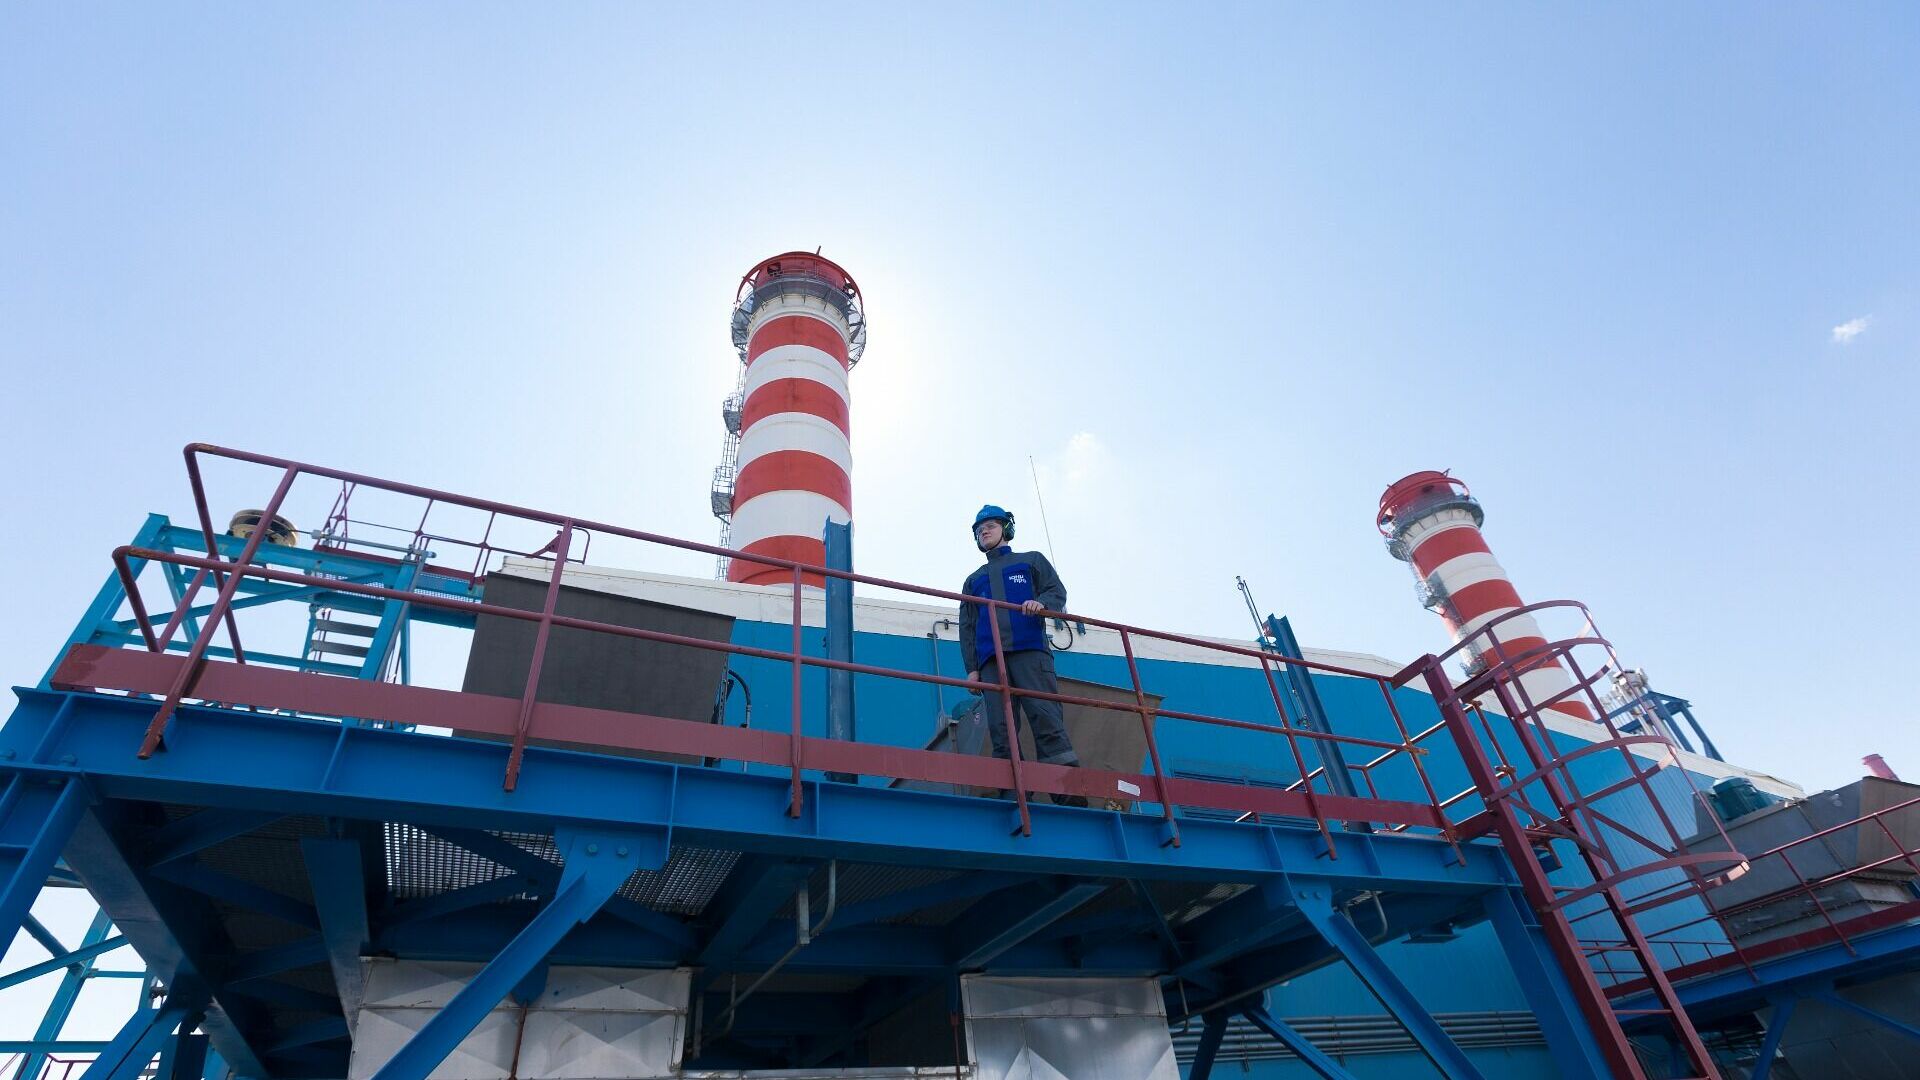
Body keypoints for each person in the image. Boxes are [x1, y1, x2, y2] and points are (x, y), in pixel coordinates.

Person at [958, 504, 1087, 807]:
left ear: (1007, 529)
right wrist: (972, 669)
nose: (984, 532)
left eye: (990, 526)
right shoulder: (973, 580)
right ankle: (1013, 793)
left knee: (1046, 719)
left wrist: (1042, 603)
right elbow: (968, 627)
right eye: (979, 530)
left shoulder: (1031, 561)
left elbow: (1055, 591)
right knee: (1001, 728)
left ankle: (1068, 793)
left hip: (1030, 653)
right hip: (991, 663)